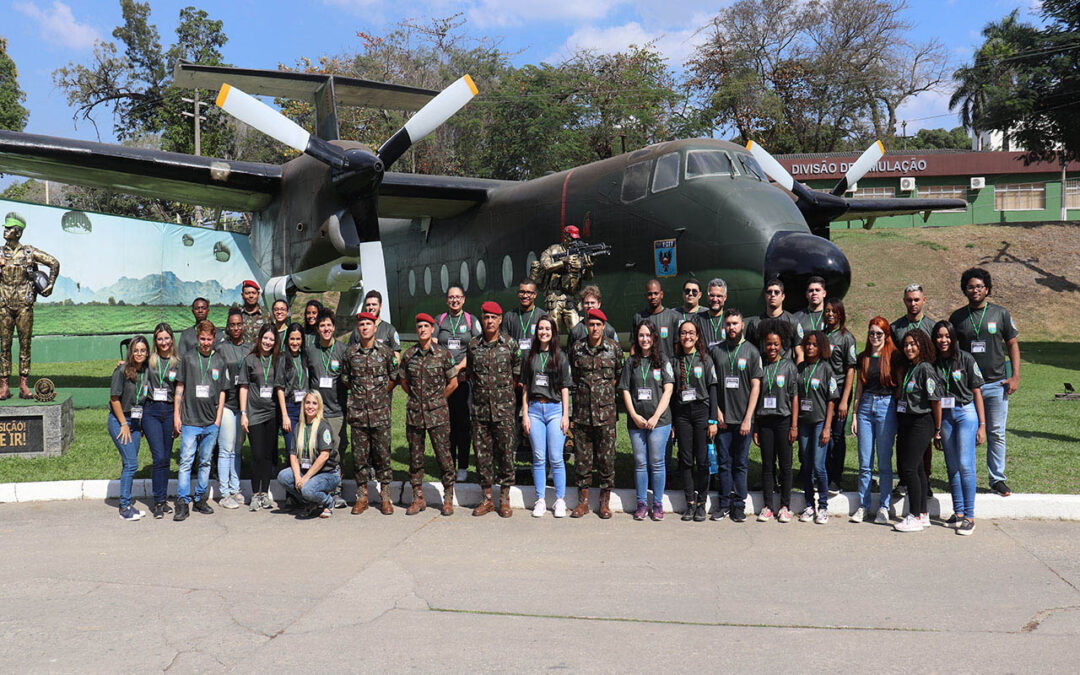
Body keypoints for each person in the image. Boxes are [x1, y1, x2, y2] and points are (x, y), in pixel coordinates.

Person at [948, 267, 1020, 497]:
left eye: (980, 286)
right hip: (968, 387)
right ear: (965, 290)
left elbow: (1012, 344)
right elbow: (950, 351)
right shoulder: (957, 317)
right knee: (967, 433)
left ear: (987, 289)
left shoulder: (1000, 313)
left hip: (997, 384)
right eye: (971, 286)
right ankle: (966, 478)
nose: (975, 290)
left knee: (996, 432)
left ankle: (997, 479)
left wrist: (1015, 376)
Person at [399, 313, 459, 516]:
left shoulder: (443, 355)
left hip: (438, 415)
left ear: (433, 329)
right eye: (419, 326)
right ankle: (418, 498)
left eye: (426, 326)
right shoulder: (409, 355)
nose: (423, 329)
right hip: (415, 414)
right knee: (415, 459)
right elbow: (404, 382)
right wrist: (418, 399)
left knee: (444, 457)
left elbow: (453, 383)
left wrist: (438, 400)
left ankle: (448, 498)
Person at [467, 301, 522, 517]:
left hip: (504, 411)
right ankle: (487, 498)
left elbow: (516, 375)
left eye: (493, 317)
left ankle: (504, 498)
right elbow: (471, 373)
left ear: (500, 320)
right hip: (480, 411)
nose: (489, 321)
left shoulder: (510, 344)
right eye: (486, 317)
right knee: (482, 455)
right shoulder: (473, 345)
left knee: (506, 454)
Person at [568, 308, 624, 518]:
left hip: (606, 414)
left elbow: (617, 375)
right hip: (583, 413)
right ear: (586, 325)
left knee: (606, 459)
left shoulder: (614, 349)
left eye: (598, 324)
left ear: (604, 326)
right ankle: (582, 502)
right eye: (591, 324)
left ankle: (604, 502)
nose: (594, 328)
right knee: (582, 459)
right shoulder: (577, 348)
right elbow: (575, 376)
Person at [932, 320, 986, 536]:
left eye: (947, 336)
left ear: (953, 337)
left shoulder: (965, 358)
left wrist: (982, 425)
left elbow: (977, 392)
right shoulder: (934, 362)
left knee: (965, 464)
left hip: (965, 413)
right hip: (945, 416)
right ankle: (959, 512)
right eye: (939, 336)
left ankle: (970, 516)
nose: (943, 340)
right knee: (952, 465)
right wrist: (936, 428)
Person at [341, 311, 397, 516]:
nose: (365, 327)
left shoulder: (385, 352)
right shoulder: (350, 353)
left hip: (380, 413)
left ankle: (385, 496)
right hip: (358, 414)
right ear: (358, 329)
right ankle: (362, 496)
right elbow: (346, 379)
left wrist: (380, 395)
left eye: (368, 324)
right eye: (362, 324)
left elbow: (394, 377)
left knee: (383, 455)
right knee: (360, 457)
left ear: (375, 327)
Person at [173, 320, 229, 521]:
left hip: (210, 422)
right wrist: (177, 416)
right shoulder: (188, 359)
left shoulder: (219, 361)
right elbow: (179, 388)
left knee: (205, 462)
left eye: (209, 339)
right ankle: (182, 500)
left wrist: (218, 419)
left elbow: (223, 391)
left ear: (214, 339)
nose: (206, 342)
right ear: (198, 338)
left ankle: (200, 498)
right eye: (202, 339)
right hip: (190, 420)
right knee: (186, 461)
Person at [0, 212, 59, 400]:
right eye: (5, 227)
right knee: (4, 346)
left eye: (9, 228)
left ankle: (24, 385)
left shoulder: (29, 252)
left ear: (17, 232)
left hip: (24, 306)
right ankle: (4, 386)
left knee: (25, 345)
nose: (5, 230)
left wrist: (50, 284)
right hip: (4, 306)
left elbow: (54, 263)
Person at [619, 320, 674, 521]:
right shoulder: (630, 362)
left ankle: (657, 503)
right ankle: (641, 503)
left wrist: (655, 416)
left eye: (648, 335)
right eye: (641, 335)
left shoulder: (663, 360)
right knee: (640, 463)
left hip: (659, 421)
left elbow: (668, 390)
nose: (645, 339)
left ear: (654, 338)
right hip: (637, 422)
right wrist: (634, 415)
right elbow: (625, 389)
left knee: (657, 463)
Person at [710, 310, 760, 523]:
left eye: (735, 324)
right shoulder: (716, 351)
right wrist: (717, 412)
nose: (731, 327)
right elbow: (711, 385)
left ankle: (739, 504)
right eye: (728, 324)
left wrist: (748, 418)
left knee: (740, 463)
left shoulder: (751, 351)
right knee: (724, 463)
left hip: (743, 421)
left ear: (742, 325)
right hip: (723, 420)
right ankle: (723, 504)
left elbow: (755, 386)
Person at [849, 317, 899, 524]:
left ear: (886, 335)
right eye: (872, 333)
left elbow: (898, 388)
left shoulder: (894, 356)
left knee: (885, 462)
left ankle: (884, 507)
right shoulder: (864, 357)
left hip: (886, 407)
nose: (875, 337)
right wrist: (854, 414)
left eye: (879, 333)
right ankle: (863, 505)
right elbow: (859, 388)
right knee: (865, 462)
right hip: (866, 408)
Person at [893, 330, 943, 533]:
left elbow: (936, 400)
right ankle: (923, 514)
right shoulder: (909, 368)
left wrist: (937, 429)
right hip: (907, 421)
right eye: (905, 345)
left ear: (922, 345)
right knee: (920, 469)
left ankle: (913, 516)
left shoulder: (925, 369)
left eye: (913, 344)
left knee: (910, 469)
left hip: (921, 422)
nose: (909, 348)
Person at [523, 315, 571, 518]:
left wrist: (565, 415)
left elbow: (565, 388)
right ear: (537, 332)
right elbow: (525, 387)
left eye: (548, 329)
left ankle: (560, 500)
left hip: (554, 410)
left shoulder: (560, 357)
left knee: (556, 458)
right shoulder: (530, 356)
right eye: (541, 329)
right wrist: (524, 414)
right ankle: (540, 499)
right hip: (534, 410)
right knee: (539, 457)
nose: (544, 332)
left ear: (553, 333)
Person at [753, 321, 799, 522]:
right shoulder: (759, 364)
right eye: (769, 344)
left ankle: (785, 506)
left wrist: (794, 426)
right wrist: (755, 426)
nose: (772, 348)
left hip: (783, 420)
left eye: (775, 344)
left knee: (786, 465)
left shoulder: (789, 367)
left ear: (782, 345)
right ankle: (768, 506)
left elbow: (794, 397)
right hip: (764, 421)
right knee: (767, 465)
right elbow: (754, 397)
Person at [435, 284, 481, 483]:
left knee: (463, 424)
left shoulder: (471, 320)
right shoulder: (440, 320)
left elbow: (477, 346)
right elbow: (435, 345)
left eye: (458, 297)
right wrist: (447, 369)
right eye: (451, 297)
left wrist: (461, 366)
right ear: (447, 300)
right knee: (447, 424)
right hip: (445, 381)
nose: (454, 300)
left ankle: (463, 466)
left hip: (463, 380)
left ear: (463, 299)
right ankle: (449, 464)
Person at [303, 307, 349, 507]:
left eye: (329, 325)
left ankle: (337, 490)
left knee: (336, 450)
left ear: (334, 327)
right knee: (316, 450)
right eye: (322, 325)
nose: (326, 329)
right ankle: (317, 488)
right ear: (317, 328)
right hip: (316, 412)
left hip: (337, 409)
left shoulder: (342, 350)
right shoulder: (311, 349)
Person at [796, 331, 838, 524]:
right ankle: (809, 504)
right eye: (807, 344)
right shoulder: (801, 368)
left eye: (814, 344)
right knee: (805, 464)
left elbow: (831, 401)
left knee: (818, 465)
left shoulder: (826, 369)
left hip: (820, 422)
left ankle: (823, 506)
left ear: (821, 347)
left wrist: (827, 427)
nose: (810, 347)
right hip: (804, 422)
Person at [277, 391, 341, 519]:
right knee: (283, 476)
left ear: (319, 407)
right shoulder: (299, 427)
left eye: (314, 403)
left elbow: (324, 456)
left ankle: (328, 501)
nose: (310, 406)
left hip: (327, 474)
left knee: (307, 489)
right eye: (307, 403)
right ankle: (311, 502)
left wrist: (305, 478)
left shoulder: (324, 427)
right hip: (306, 472)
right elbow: (293, 454)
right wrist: (297, 477)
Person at [239, 324, 281, 511]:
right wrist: (243, 414)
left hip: (272, 412)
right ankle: (255, 494)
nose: (268, 342)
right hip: (254, 413)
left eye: (271, 339)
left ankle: (265, 493)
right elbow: (244, 387)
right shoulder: (249, 360)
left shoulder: (277, 360)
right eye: (265, 338)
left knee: (267, 456)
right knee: (256, 455)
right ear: (260, 338)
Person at [109, 335, 149, 521]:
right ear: (130, 352)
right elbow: (114, 399)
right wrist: (123, 425)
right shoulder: (121, 371)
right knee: (132, 463)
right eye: (136, 350)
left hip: (135, 422)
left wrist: (137, 425)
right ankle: (125, 507)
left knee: (129, 464)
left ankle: (127, 501)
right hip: (120, 421)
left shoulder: (147, 371)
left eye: (142, 350)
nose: (139, 353)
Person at [143, 323, 180, 519]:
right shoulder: (150, 361)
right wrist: (122, 365)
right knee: (158, 457)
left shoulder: (177, 362)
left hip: (169, 410)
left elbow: (180, 392)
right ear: (155, 341)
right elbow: (134, 367)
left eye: (166, 338)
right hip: (151, 411)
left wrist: (177, 417)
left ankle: (163, 500)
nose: (163, 342)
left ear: (171, 339)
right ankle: (157, 501)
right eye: (159, 339)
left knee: (166, 459)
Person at [823, 298, 857, 494]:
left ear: (840, 314)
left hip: (840, 392)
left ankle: (836, 478)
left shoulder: (847, 338)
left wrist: (845, 400)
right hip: (822, 392)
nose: (829, 314)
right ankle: (823, 474)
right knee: (823, 433)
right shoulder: (821, 335)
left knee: (837, 435)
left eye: (833, 311)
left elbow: (851, 369)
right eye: (827, 311)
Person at [216, 308, 249, 509]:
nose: (235, 328)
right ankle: (224, 492)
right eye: (232, 324)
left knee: (237, 449)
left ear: (243, 326)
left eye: (239, 324)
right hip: (227, 404)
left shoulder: (250, 348)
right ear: (227, 327)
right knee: (225, 449)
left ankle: (235, 488)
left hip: (243, 406)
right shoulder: (220, 348)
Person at [277, 323, 306, 506]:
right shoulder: (282, 359)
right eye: (292, 339)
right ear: (287, 340)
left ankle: (304, 490)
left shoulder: (305, 357)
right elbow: (279, 388)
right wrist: (285, 415)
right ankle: (291, 494)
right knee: (292, 450)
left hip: (306, 409)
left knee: (305, 450)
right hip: (290, 408)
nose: (295, 342)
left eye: (298, 338)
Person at [745, 278, 801, 363]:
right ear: (765, 296)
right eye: (769, 292)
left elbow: (799, 352)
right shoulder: (755, 323)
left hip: (786, 371)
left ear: (783, 296)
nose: (772, 295)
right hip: (763, 371)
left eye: (776, 292)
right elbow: (749, 351)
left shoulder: (792, 321)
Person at [347, 290, 402, 360]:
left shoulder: (389, 330)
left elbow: (396, 358)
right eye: (368, 305)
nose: (371, 307)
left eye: (374, 304)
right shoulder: (358, 331)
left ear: (380, 306)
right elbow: (349, 354)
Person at [633, 279, 680, 360]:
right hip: (646, 367)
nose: (653, 297)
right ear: (646, 296)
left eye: (656, 293)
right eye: (650, 294)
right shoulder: (638, 317)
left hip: (667, 365)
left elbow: (677, 346)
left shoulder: (673, 317)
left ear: (661, 294)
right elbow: (634, 345)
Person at [566, 285, 618, 352]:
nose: (590, 306)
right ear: (582, 304)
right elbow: (570, 357)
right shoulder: (575, 332)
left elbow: (617, 352)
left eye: (592, 303)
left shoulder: (609, 330)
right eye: (586, 303)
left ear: (599, 304)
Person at [502, 279, 543, 356]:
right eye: (522, 292)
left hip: (536, 363)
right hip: (515, 362)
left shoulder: (542, 316)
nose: (525, 296)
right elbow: (505, 343)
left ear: (535, 294)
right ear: (517, 294)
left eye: (529, 292)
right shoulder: (509, 316)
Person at [890, 283, 935, 347]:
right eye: (909, 300)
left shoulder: (932, 326)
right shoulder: (895, 328)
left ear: (924, 300)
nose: (913, 304)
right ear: (904, 301)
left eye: (916, 300)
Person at [694, 278, 727, 349]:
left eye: (719, 296)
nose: (715, 299)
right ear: (707, 296)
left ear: (725, 297)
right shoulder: (697, 319)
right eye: (712, 295)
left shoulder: (729, 319)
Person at [793, 276, 827, 346]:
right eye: (811, 290)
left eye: (817, 290)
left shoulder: (831, 316)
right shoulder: (796, 317)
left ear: (824, 293)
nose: (814, 293)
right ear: (806, 295)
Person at [238, 280, 268, 344]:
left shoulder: (266, 316)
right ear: (242, 295)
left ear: (258, 294)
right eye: (247, 293)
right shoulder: (237, 315)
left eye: (254, 293)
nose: (251, 296)